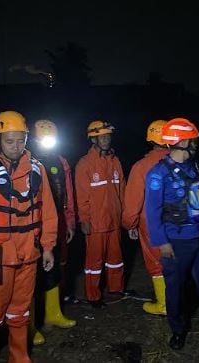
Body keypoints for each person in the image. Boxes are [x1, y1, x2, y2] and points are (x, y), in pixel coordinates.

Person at [0, 111, 57, 362]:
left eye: (21, 140)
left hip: (29, 256)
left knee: (20, 314)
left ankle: (21, 358)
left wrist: (48, 246)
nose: (16, 147)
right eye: (9, 141)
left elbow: (48, 210)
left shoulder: (37, 171)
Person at [145, 118, 199, 350]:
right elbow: (152, 211)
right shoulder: (157, 173)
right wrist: (161, 242)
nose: (196, 145)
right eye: (193, 141)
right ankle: (178, 330)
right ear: (181, 142)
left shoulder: (196, 166)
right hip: (176, 241)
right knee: (176, 288)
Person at [30, 119, 76, 345]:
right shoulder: (26, 161)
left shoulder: (60, 161)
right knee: (29, 276)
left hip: (55, 223)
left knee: (55, 268)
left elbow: (67, 194)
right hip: (31, 226)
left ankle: (53, 313)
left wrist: (69, 221)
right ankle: (29, 326)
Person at [75, 120, 128, 308]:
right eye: (101, 137)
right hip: (96, 222)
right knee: (94, 262)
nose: (106, 139)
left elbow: (122, 190)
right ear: (93, 139)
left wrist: (125, 215)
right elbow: (81, 195)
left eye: (107, 136)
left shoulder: (115, 160)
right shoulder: (85, 164)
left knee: (116, 257)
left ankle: (116, 288)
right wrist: (84, 219)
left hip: (114, 219)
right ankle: (93, 295)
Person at [122, 120, 169, 315]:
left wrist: (129, 224)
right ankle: (180, 298)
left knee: (156, 262)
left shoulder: (141, 166)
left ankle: (165, 304)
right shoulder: (184, 160)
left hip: (151, 223)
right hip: (180, 222)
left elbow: (133, 200)